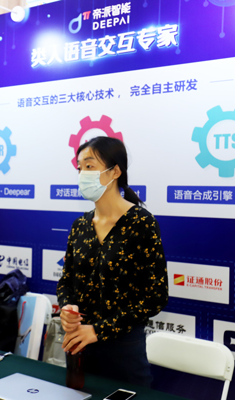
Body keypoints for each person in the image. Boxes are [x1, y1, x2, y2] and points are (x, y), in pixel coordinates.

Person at [57, 136, 168, 387]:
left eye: (89, 166)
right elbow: (66, 281)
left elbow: (156, 296)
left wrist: (98, 330)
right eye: (79, 168)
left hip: (123, 351)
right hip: (79, 346)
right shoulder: (80, 225)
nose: (82, 174)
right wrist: (67, 308)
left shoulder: (141, 223)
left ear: (115, 171)